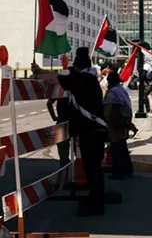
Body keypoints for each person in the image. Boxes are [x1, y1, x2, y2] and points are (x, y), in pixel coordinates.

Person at [58, 48, 109, 216]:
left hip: (91, 131)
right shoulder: (90, 79)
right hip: (96, 130)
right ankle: (96, 198)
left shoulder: (83, 80)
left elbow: (62, 81)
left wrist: (42, 72)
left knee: (92, 167)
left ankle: (96, 203)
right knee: (94, 167)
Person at [103, 72, 133, 180]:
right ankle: (128, 169)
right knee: (122, 146)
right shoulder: (121, 90)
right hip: (125, 120)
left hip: (116, 122)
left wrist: (106, 123)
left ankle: (118, 172)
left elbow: (109, 110)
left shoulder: (111, 93)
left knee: (116, 147)